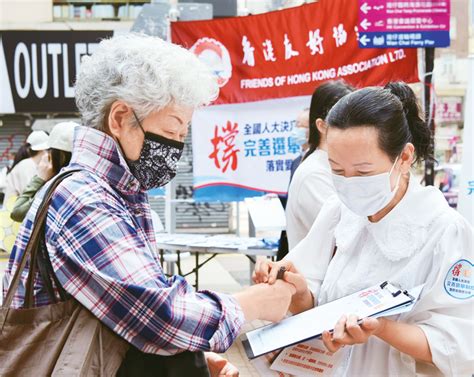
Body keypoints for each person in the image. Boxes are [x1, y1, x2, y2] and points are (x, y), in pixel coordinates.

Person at [2, 34, 296, 376]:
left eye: (184, 134)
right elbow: (158, 313)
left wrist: (190, 355)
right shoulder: (83, 197)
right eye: (171, 131)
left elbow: (122, 306)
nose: (176, 147)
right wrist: (251, 304)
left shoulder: (118, 190)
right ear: (120, 118)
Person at [254, 83, 473, 376]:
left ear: (404, 158)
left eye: (363, 172)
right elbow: (317, 308)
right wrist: (298, 291)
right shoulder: (338, 211)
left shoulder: (443, 231)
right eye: (337, 170)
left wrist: (380, 328)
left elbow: (457, 344)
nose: (349, 183)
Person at [285, 81, 353, 251]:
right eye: (346, 123)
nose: (354, 130)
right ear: (322, 126)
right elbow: (343, 238)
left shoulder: (335, 168)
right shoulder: (314, 175)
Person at [10, 122, 77, 222]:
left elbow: (17, 212)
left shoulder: (55, 187)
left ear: (59, 156)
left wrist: (40, 178)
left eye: (50, 150)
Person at [3, 131, 49, 204]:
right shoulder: (26, 166)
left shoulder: (31, 165)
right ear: (43, 149)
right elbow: (28, 196)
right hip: (13, 213)